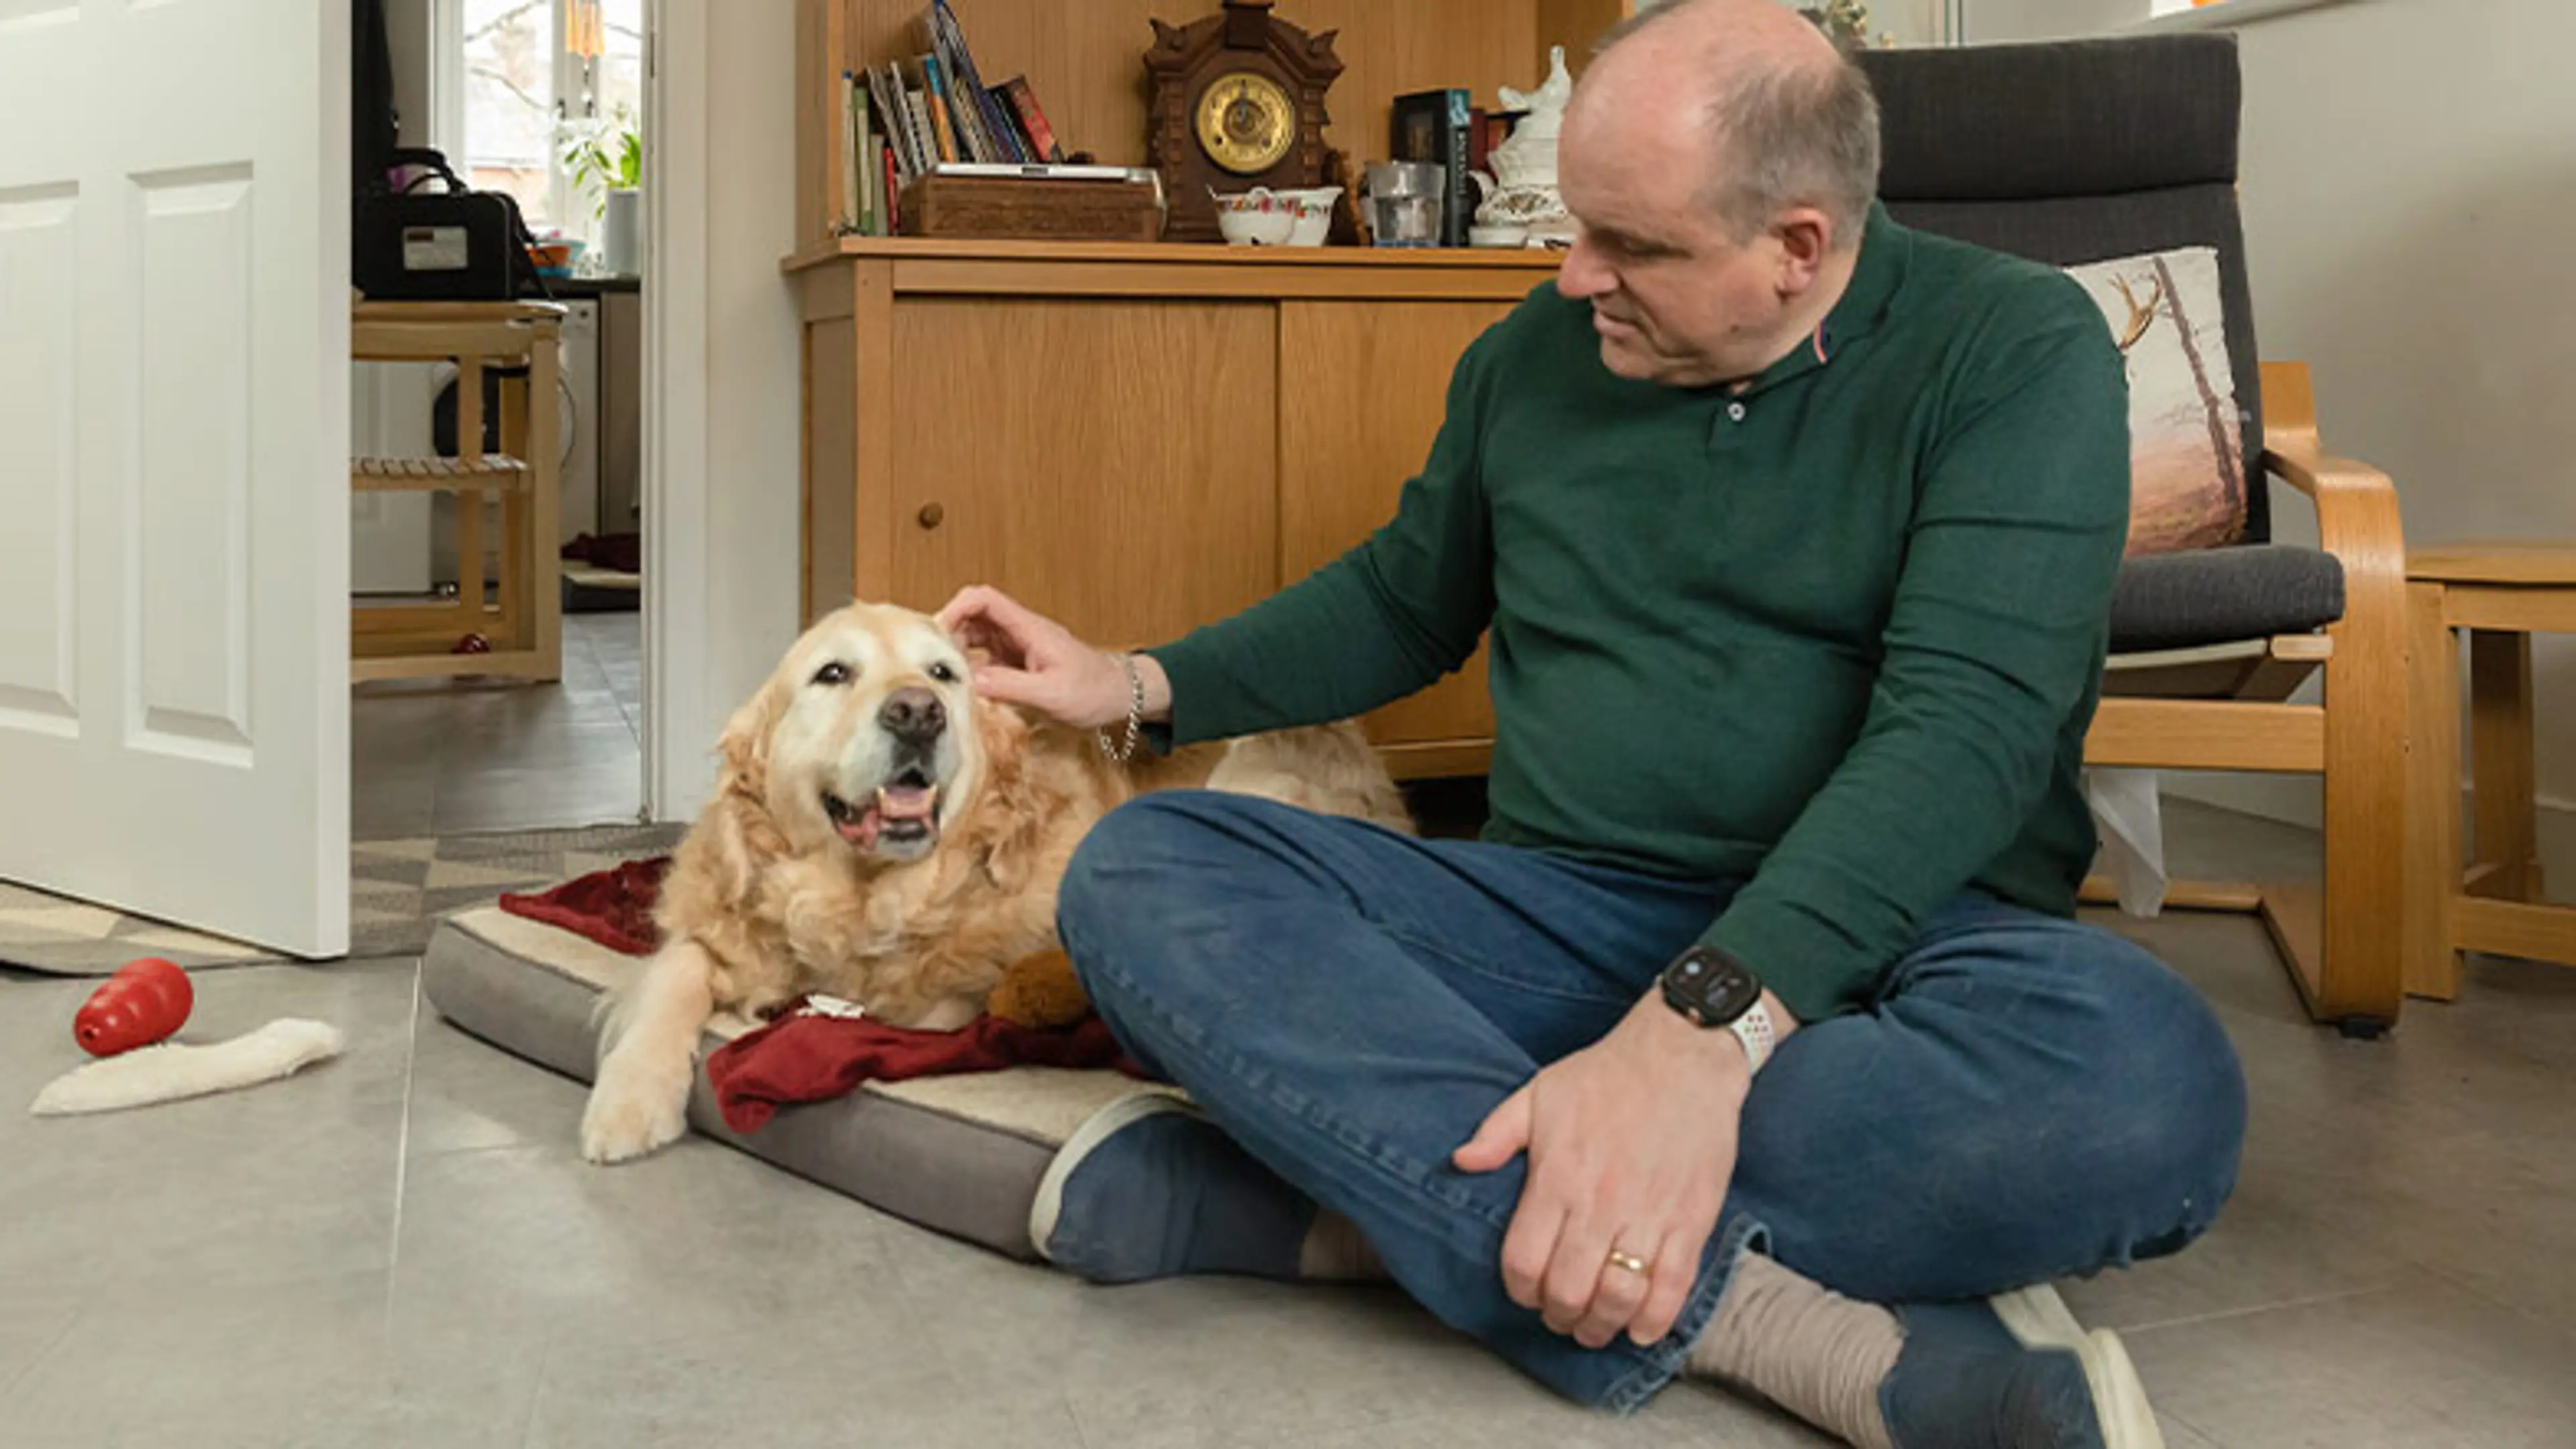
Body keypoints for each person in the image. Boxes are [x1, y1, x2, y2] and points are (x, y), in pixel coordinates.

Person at [939, 1, 2247, 1444]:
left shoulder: (2011, 350)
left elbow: (1970, 730)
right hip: (1558, 920)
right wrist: (1129, 683)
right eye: (1578, 227)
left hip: (1904, 950)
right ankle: (1769, 1326)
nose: (1577, 277)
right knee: (1149, 875)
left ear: (1798, 247)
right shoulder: (1532, 357)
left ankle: (1340, 1209)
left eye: (1634, 247)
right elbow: (1400, 603)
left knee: (2149, 1090)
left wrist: (1700, 1036)